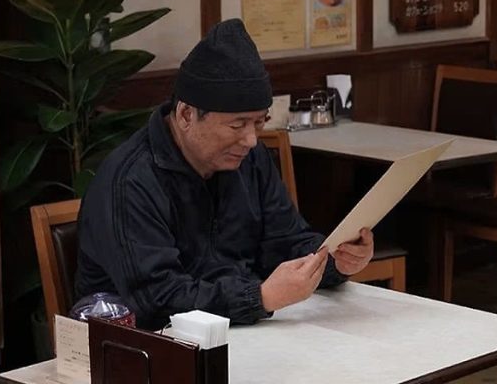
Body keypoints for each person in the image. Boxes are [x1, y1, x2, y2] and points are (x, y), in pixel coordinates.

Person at [75, 19, 374, 330]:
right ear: (186, 114)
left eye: (259, 122)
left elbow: (285, 241)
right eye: (237, 125)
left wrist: (336, 260)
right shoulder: (130, 182)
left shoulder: (250, 159)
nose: (251, 140)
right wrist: (260, 298)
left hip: (244, 331)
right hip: (152, 345)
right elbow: (158, 300)